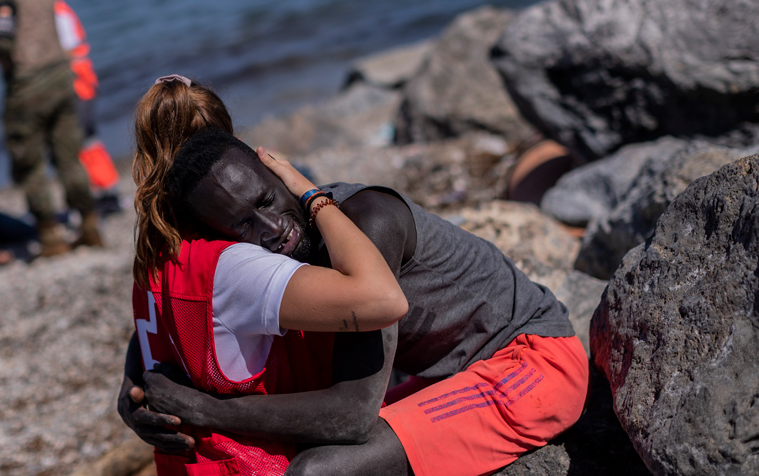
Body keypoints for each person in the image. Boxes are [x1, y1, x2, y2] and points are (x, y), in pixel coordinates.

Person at [119, 78, 589, 475]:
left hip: (529, 364)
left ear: (277, 172)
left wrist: (209, 413)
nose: (271, 232)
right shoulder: (263, 246)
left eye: (266, 202)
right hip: (455, 373)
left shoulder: (368, 221)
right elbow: (170, 305)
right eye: (242, 226)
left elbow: (352, 417)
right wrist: (135, 388)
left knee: (316, 469)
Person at [125, 75, 406, 475]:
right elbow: (382, 301)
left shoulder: (155, 253)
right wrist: (314, 197)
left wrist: (133, 383)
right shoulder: (237, 266)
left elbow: (155, 331)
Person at [0, 0, 102, 256]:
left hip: (28, 86)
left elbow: (0, 42)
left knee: (29, 164)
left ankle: (50, 236)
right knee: (69, 155)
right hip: (61, 77)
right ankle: (90, 223)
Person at [53, 0, 122, 213]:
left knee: (83, 139)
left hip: (77, 82)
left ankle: (106, 192)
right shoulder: (57, 9)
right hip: (78, 80)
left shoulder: (55, 13)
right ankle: (103, 191)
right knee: (86, 139)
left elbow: (67, 48)